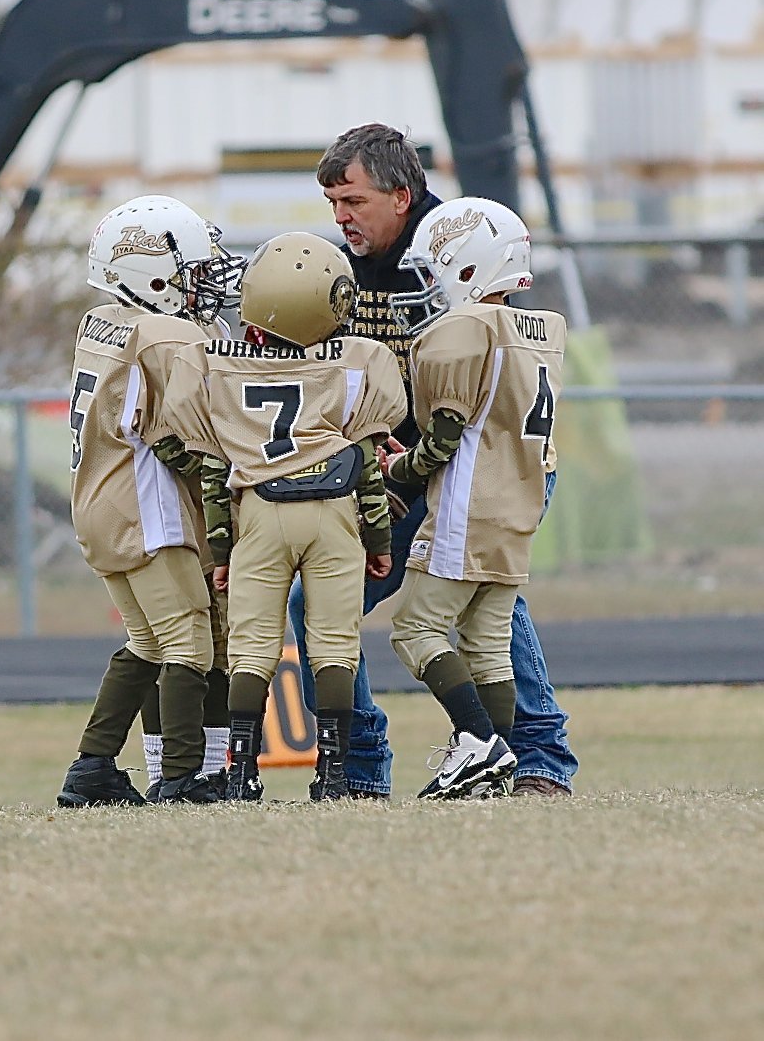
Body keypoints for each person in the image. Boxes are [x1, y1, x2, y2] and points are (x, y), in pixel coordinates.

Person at [288, 122, 578, 797]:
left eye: (352, 201)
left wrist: (406, 466)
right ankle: (360, 770)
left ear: (402, 194)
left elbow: (480, 394)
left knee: (478, 604)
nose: (341, 218)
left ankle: (533, 757)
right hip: (403, 465)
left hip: (469, 464)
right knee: (322, 601)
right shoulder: (350, 268)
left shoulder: (457, 250)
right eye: (332, 203)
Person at [162, 232, 407, 802]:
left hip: (260, 511)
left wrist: (220, 552)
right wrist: (379, 538)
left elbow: (213, 473)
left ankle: (243, 772)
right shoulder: (357, 363)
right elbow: (366, 461)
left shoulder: (211, 367)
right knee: (334, 644)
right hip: (336, 512)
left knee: (251, 647)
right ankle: (336, 771)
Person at [56, 193, 244, 807]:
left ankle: (93, 765)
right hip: (146, 506)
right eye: (191, 272)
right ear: (152, 274)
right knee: (188, 641)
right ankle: (181, 776)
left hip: (100, 502)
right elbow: (181, 431)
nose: (201, 286)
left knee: (145, 641)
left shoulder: (104, 322)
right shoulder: (162, 335)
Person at [377, 195, 565, 799]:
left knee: (414, 629)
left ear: (467, 267)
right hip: (519, 500)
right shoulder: (539, 329)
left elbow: (444, 438)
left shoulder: (463, 331)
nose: (428, 291)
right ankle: (499, 761)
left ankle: (478, 745)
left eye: (435, 273)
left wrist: (400, 467)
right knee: (486, 644)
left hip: (468, 501)